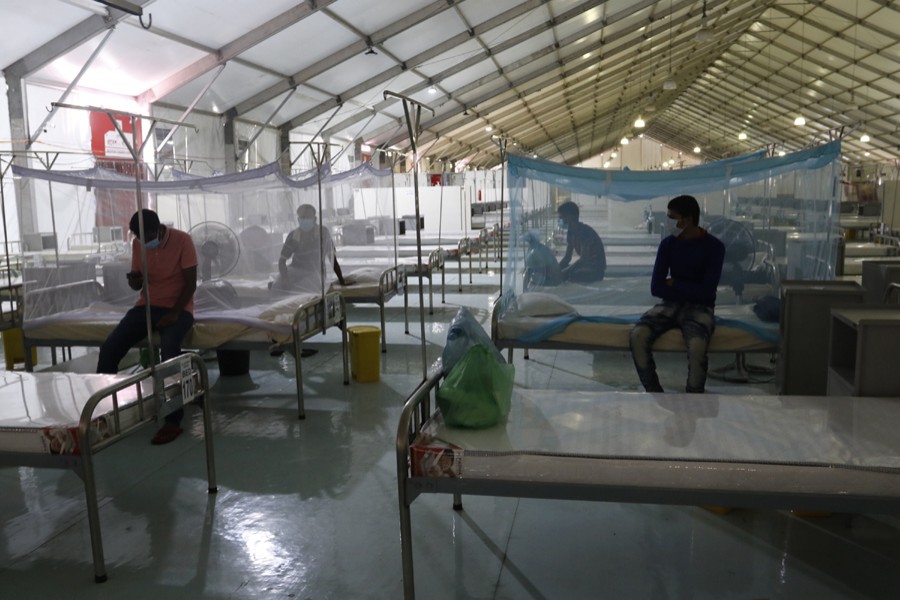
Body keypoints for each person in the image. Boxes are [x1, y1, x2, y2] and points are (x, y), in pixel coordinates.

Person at [97, 209, 197, 445]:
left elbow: (191, 283)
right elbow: (138, 281)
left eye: (148, 236)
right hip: (147, 306)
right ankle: (103, 414)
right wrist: (135, 281)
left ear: (159, 228)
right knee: (110, 348)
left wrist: (174, 314)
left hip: (179, 308)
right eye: (139, 237)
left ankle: (173, 419)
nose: (144, 241)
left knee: (169, 352)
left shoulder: (183, 240)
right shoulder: (138, 243)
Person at [629, 195, 726, 393]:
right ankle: (653, 391)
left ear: (688, 219)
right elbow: (656, 288)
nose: (668, 221)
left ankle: (693, 396)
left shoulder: (714, 247)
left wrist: (676, 283)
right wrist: (689, 289)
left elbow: (707, 293)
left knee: (698, 346)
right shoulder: (668, 245)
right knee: (638, 336)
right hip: (670, 304)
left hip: (700, 308)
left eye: (672, 217)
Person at [274, 204, 345, 293]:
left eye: (307, 217)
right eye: (302, 217)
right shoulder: (293, 236)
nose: (305, 220)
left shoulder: (323, 233)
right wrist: (284, 279)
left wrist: (341, 280)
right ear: (298, 219)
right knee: (278, 285)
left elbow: (332, 258)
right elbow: (282, 261)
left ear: (314, 219)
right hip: (296, 270)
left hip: (316, 273)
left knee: (304, 289)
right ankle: (276, 285)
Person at [557, 201, 606, 283]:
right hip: (585, 266)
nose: (560, 221)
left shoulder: (585, 232)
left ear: (570, 217)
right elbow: (567, 258)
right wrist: (556, 269)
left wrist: (565, 272)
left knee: (572, 274)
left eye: (562, 218)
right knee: (564, 270)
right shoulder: (571, 233)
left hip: (596, 270)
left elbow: (583, 259)